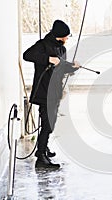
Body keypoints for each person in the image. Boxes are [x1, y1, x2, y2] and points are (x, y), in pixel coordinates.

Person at [23, 20, 80, 169]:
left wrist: (73, 67)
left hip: (55, 92)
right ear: (59, 36)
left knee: (50, 123)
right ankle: (41, 158)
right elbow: (26, 55)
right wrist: (48, 59)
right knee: (48, 123)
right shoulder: (42, 45)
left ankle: (44, 148)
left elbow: (61, 68)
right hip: (43, 91)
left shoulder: (62, 50)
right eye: (66, 36)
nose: (67, 39)